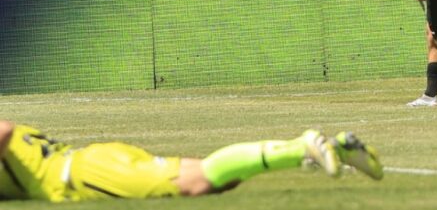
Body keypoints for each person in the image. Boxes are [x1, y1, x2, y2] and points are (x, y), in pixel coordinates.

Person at [0, 120, 382, 202]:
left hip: (82, 174)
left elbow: (3, 130)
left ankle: (303, 146)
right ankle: (339, 147)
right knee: (218, 178)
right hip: (94, 158)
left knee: (200, 181)